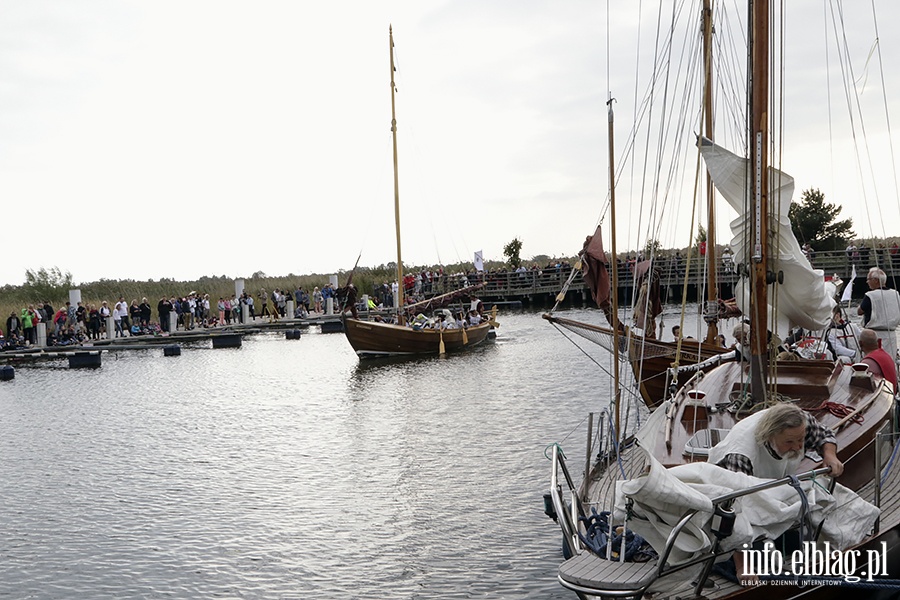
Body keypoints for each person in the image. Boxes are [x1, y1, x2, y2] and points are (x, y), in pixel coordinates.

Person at [708, 403, 845, 585]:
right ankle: (722, 563)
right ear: (769, 436)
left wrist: (830, 455)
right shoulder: (741, 456)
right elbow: (734, 510)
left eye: (801, 440)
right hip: (726, 507)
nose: (798, 447)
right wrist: (744, 567)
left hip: (769, 489)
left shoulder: (798, 423)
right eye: (789, 442)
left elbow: (823, 435)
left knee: (799, 544)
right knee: (758, 560)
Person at [857, 267, 900, 362]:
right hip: (891, 334)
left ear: (876, 280)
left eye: (868, 279)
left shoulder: (871, 295)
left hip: (873, 335)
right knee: (890, 361)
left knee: (871, 361)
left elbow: (860, 311)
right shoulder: (896, 294)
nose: (867, 282)